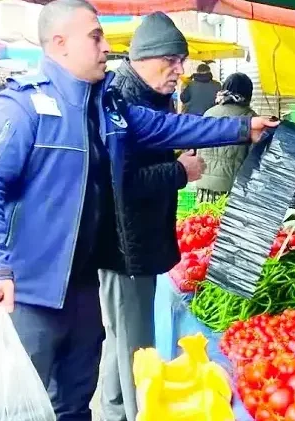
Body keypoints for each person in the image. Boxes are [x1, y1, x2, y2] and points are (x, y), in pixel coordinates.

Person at [0, 1, 277, 420]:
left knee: (74, 403)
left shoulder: (105, 106)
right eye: (95, 37)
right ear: (60, 43)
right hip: (28, 292)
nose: (106, 46)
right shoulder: (21, 106)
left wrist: (241, 127)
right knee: (17, 411)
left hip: (82, 288)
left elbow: (169, 127)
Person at [98, 12, 206, 421]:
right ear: (143, 57)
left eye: (182, 61)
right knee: (136, 348)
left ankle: (114, 412)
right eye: (172, 60)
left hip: (138, 242)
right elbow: (119, 182)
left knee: (123, 341)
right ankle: (133, 413)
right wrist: (179, 171)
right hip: (125, 247)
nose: (180, 70)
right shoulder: (122, 99)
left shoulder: (149, 95)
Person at [194, 72, 257, 203]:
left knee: (204, 216)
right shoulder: (250, 118)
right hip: (230, 190)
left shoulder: (209, 113)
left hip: (202, 185)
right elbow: (254, 158)